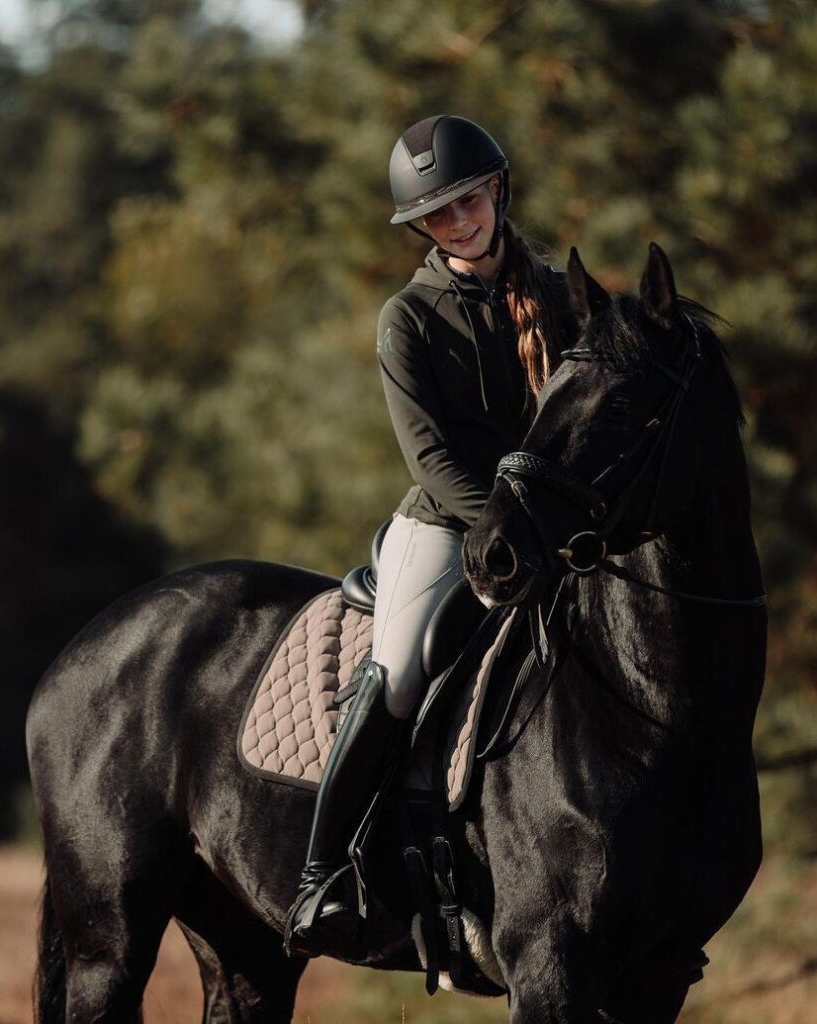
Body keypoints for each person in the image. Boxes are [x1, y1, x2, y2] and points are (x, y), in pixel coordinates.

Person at [284, 114, 575, 958]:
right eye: (437, 214)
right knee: (401, 671)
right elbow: (430, 456)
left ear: (497, 191)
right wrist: (507, 525)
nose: (457, 222)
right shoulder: (406, 317)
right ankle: (321, 875)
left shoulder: (561, 297)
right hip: (447, 525)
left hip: (555, 524)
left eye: (468, 201)